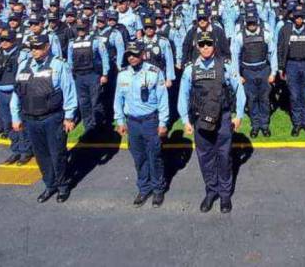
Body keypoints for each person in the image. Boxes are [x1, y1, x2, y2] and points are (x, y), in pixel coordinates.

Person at [178, 31, 245, 214]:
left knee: (224, 157)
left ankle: (224, 195)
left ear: (214, 45)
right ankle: (211, 191)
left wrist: (238, 115)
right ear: (197, 46)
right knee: (205, 158)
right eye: (202, 44)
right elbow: (183, 95)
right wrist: (185, 120)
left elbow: (238, 89)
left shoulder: (225, 66)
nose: (205, 47)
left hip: (223, 119)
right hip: (200, 120)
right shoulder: (190, 69)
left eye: (208, 43)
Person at [11, 34, 77, 203]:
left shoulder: (59, 65)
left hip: (52, 118)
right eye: (32, 48)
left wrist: (69, 117)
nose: (35, 51)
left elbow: (69, 91)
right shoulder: (24, 66)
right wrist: (15, 116)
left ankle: (62, 186)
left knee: (57, 154)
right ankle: (50, 185)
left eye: (39, 47)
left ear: (47, 47)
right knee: (41, 155)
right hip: (30, 118)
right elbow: (17, 94)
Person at [114, 40, 168, 207]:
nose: (132, 57)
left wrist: (163, 122)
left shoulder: (154, 72)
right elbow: (118, 99)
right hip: (133, 122)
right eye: (129, 55)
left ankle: (158, 189)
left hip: (150, 121)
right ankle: (144, 189)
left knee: (154, 156)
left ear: (143, 54)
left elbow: (163, 98)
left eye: (135, 54)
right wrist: (120, 120)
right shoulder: (122, 74)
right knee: (139, 157)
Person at [0, 27, 32, 164]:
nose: (4, 42)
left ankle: (26, 150)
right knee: (7, 124)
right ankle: (15, 150)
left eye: (7, 39)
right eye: (2, 39)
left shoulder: (22, 54)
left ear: (14, 40)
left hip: (16, 92)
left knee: (19, 123)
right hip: (1, 93)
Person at [231, 10, 277, 137]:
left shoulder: (266, 34)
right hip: (248, 72)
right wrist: (237, 75)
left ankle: (265, 125)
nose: (251, 25)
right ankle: (255, 126)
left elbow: (273, 54)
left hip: (263, 70)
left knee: (264, 99)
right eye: (249, 22)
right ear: (246, 22)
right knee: (251, 99)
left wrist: (273, 72)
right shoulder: (240, 36)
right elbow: (235, 56)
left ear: (257, 21)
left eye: (253, 22)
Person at [277, 7, 305, 136]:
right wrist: (281, 67)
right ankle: (296, 124)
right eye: (296, 17)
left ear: (304, 18)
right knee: (294, 95)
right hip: (291, 64)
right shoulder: (285, 30)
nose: (298, 19)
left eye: (301, 17)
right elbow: (280, 49)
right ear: (292, 18)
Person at [67, 19, 110, 136]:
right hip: (79, 77)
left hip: (93, 75)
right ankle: (89, 128)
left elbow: (104, 58)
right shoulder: (72, 43)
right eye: (79, 29)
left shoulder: (96, 41)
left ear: (87, 28)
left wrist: (105, 74)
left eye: (83, 29)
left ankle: (100, 126)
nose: (81, 31)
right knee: (83, 103)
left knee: (96, 102)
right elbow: (70, 61)